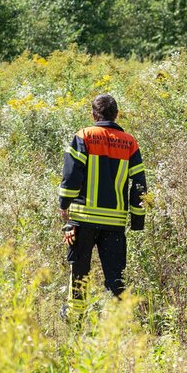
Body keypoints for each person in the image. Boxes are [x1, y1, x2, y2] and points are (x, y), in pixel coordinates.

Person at [58, 94, 146, 315]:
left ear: (93, 114)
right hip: (114, 223)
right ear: (116, 114)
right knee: (116, 277)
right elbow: (139, 184)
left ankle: (75, 318)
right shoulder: (130, 142)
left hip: (83, 220)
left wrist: (64, 204)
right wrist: (137, 220)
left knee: (79, 272)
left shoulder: (84, 136)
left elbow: (72, 176)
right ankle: (115, 324)